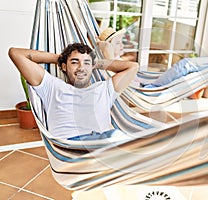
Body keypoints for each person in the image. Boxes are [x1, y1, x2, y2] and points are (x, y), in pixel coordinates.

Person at [8, 42, 139, 140]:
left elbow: (133, 66)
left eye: (86, 63)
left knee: (127, 139)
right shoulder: (52, 86)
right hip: (70, 148)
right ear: (64, 67)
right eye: (75, 62)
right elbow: (16, 53)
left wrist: (95, 63)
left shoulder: (105, 89)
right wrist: (59, 59)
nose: (81, 68)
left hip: (105, 143)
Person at [98, 27, 208, 100]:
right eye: (118, 42)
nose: (123, 45)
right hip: (152, 90)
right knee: (185, 65)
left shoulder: (118, 64)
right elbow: (105, 47)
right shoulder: (115, 66)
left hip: (150, 85)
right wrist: (104, 46)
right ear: (110, 47)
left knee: (190, 70)